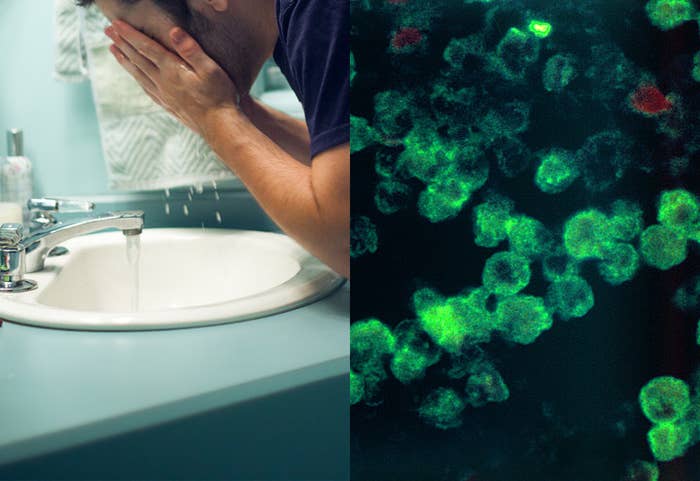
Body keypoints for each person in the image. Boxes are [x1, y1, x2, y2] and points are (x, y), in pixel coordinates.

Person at [77, 0, 350, 277]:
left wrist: (214, 116)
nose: (146, 58)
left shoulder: (321, 12)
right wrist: (244, 114)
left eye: (144, 37)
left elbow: (345, 239)